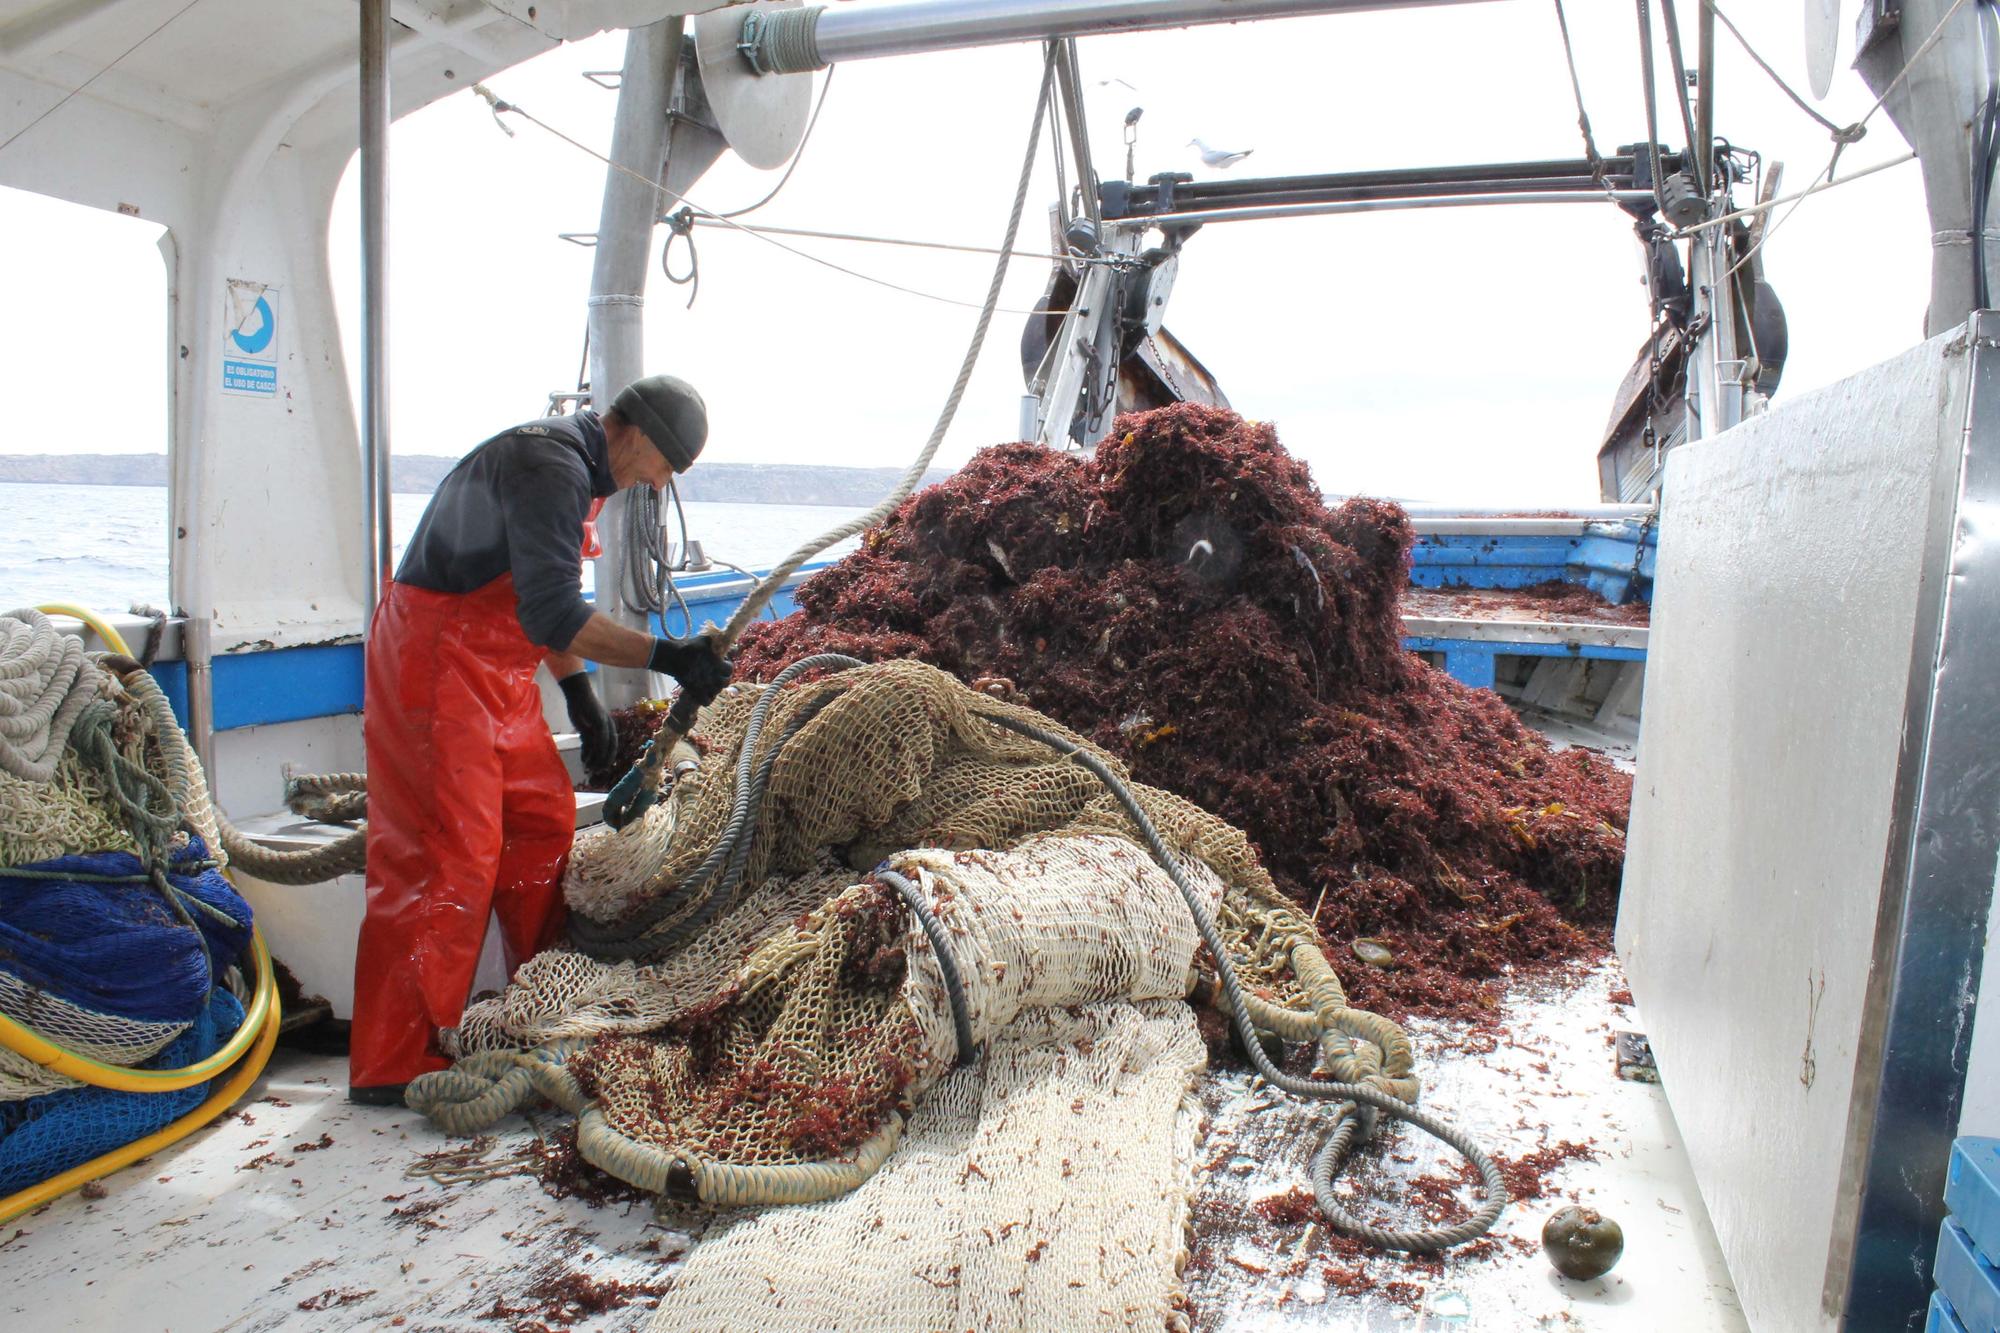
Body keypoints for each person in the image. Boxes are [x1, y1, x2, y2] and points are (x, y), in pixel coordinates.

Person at [348, 374, 731, 1103]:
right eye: (665, 468)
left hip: (499, 674)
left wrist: (580, 694)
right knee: (445, 853)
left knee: (539, 820)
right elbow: (555, 611)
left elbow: (539, 598)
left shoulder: (581, 472)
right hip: (436, 661)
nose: (658, 485)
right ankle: (393, 1057)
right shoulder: (548, 464)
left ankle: (540, 1001)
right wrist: (667, 657)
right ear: (641, 436)